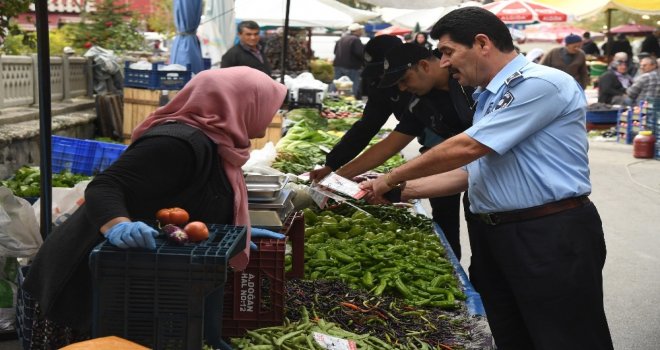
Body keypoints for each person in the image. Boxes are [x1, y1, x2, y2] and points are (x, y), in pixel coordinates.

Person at [361, 7, 614, 350]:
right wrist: (400, 192)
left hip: (548, 235)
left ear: (482, 43)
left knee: (566, 337)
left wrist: (390, 177)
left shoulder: (541, 84)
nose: (445, 63)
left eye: (448, 52)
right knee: (511, 336)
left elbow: (468, 147)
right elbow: (473, 173)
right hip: (497, 235)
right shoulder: (487, 98)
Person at [22, 67, 288, 344]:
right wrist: (119, 226)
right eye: (269, 105)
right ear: (243, 103)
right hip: (84, 283)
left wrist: (228, 232)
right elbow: (105, 186)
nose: (272, 114)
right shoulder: (177, 142)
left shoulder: (218, 145)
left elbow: (196, 198)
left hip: (132, 280)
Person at [316, 43, 475, 260]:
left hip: (492, 174)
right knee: (449, 222)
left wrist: (392, 179)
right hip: (456, 168)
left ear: (424, 66)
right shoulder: (420, 102)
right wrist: (337, 176)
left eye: (404, 79)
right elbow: (390, 144)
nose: (401, 89)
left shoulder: (471, 83)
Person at [332, 23, 365, 98]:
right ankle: (350, 100)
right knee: (352, 85)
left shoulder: (342, 38)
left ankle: (337, 98)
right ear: (357, 31)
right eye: (361, 30)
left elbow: (335, 51)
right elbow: (360, 53)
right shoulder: (356, 40)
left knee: (338, 84)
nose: (362, 32)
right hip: (351, 67)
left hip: (338, 65)